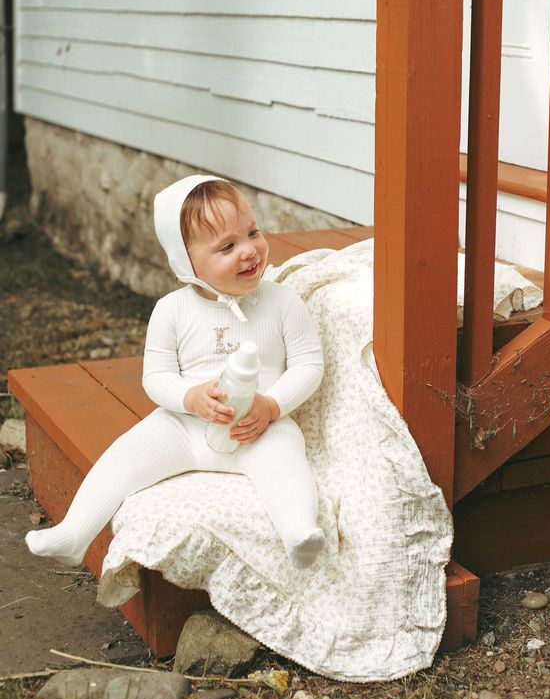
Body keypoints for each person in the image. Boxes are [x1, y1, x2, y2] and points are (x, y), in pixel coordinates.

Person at [26, 175, 326, 570]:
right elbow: (156, 376)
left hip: (257, 428)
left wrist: (271, 406)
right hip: (187, 427)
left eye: (253, 232)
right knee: (126, 453)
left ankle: (298, 530)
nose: (250, 251)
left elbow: (309, 363)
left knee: (286, 459)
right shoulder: (172, 310)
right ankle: (75, 532)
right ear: (187, 262)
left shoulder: (282, 302)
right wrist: (191, 398)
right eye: (227, 246)